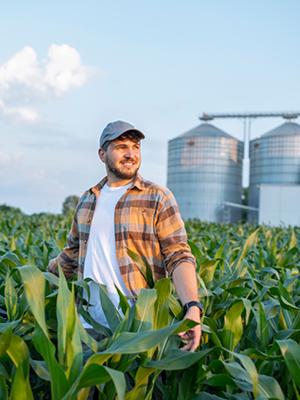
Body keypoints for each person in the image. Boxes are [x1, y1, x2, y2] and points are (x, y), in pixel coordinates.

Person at [47, 120, 202, 353]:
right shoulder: (88, 200)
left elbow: (178, 256)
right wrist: (31, 283)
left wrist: (192, 306)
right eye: (121, 147)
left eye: (136, 146)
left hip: (138, 326)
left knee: (134, 389)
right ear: (102, 154)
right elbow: (71, 257)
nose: (131, 153)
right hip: (87, 327)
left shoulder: (158, 197)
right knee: (84, 388)